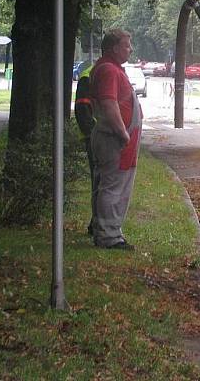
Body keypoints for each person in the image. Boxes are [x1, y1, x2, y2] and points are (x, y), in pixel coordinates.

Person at [89, 29, 143, 250]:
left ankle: (102, 228)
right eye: (127, 45)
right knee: (114, 187)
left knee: (107, 184)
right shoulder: (109, 71)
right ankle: (109, 236)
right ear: (114, 48)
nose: (130, 49)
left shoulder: (109, 69)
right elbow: (109, 104)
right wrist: (123, 133)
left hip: (113, 138)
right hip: (115, 140)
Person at [74, 63, 96, 234]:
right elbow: (82, 109)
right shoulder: (89, 76)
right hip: (96, 138)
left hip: (103, 137)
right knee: (100, 182)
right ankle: (97, 224)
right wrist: (92, 135)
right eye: (126, 45)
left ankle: (97, 222)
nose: (130, 49)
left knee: (102, 182)